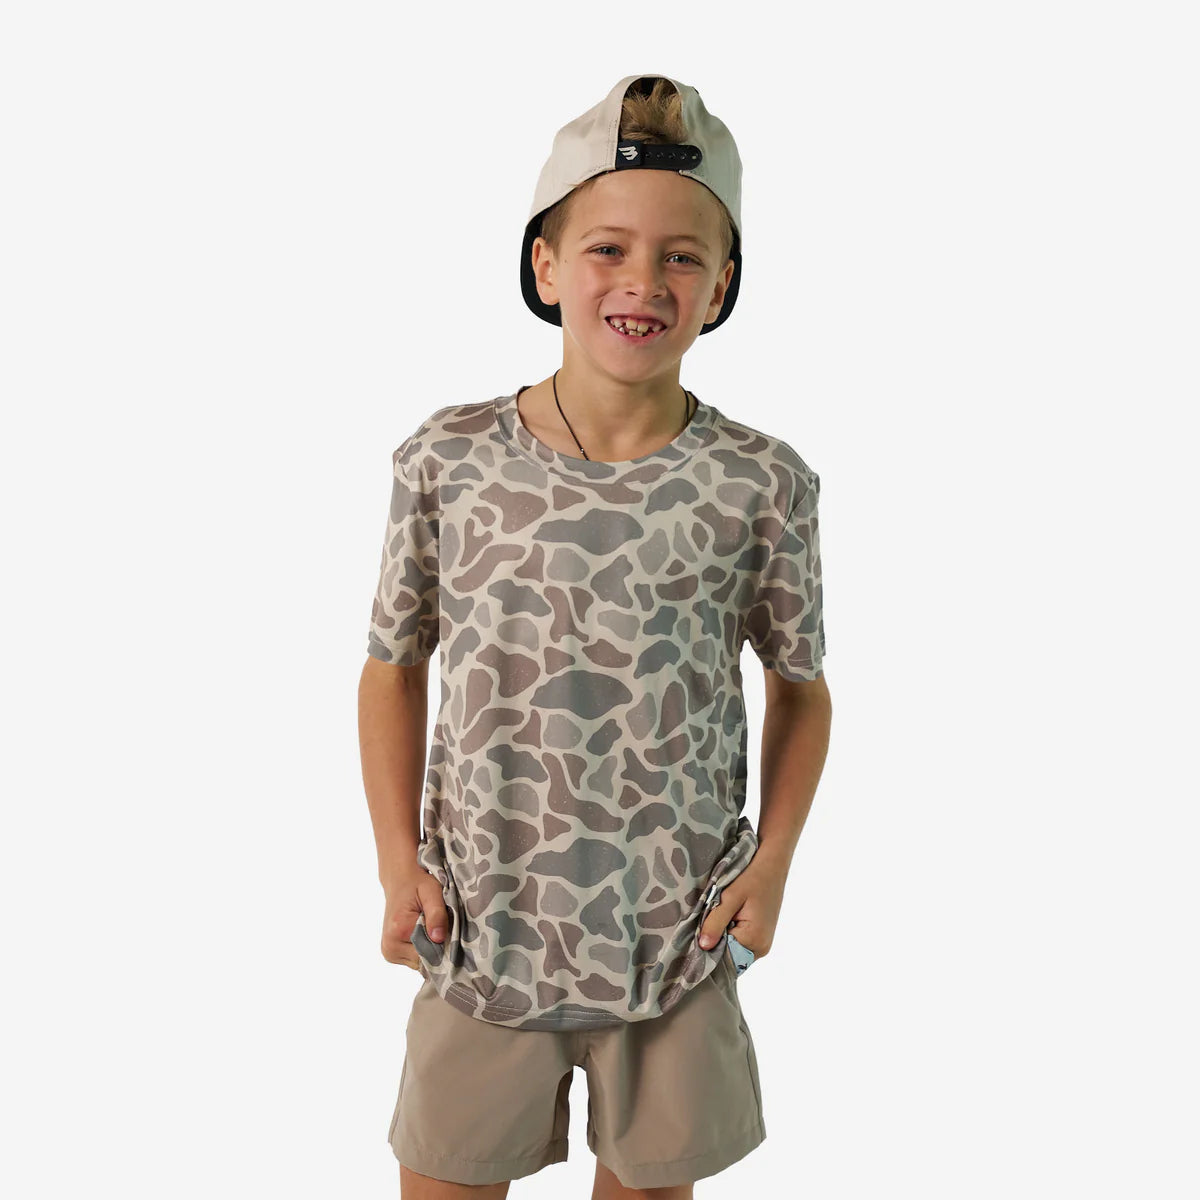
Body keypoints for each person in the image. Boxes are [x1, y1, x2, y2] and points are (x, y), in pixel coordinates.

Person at [359, 73, 832, 1199]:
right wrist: (394, 862)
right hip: (483, 931)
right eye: (607, 248)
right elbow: (392, 666)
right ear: (545, 265)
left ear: (722, 283)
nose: (642, 282)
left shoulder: (761, 483)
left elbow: (802, 688)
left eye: (682, 256)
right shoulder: (449, 460)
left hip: (675, 941)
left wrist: (772, 866)